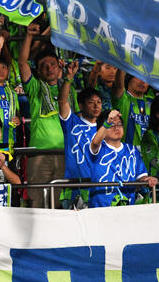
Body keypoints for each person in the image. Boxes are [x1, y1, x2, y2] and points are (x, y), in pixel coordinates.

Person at [19, 23, 70, 208]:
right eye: (43, 66)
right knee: (38, 205)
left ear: (59, 67)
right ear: (38, 71)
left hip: (66, 154)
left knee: (62, 206)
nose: (49, 69)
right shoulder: (35, 87)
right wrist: (29, 36)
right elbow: (22, 63)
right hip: (39, 154)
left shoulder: (69, 89)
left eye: (52, 65)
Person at [87, 109, 157, 208]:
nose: (116, 128)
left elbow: (141, 177)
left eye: (119, 124)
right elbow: (95, 143)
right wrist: (107, 122)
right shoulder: (99, 148)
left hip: (127, 207)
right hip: (101, 207)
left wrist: (148, 180)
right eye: (111, 125)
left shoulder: (132, 150)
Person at [58, 63, 100, 209]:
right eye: (91, 102)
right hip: (74, 189)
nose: (96, 106)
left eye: (99, 102)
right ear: (81, 105)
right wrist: (69, 78)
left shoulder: (106, 127)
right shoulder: (72, 124)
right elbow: (62, 101)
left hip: (99, 188)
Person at [111, 70, 153, 147]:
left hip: (147, 153)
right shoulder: (123, 98)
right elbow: (119, 85)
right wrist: (122, 66)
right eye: (138, 77)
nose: (143, 82)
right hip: (127, 152)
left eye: (146, 79)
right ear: (129, 78)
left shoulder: (152, 101)